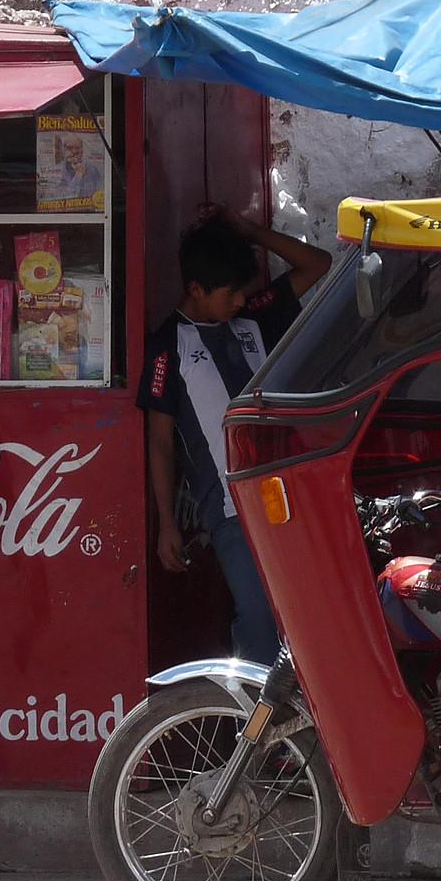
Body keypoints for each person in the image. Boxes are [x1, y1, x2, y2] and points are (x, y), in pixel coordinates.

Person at [138, 204, 331, 665]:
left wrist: (247, 230)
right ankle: (262, 729)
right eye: (229, 294)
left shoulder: (254, 318)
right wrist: (165, 523)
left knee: (309, 613)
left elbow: (317, 264)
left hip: (289, 500)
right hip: (228, 511)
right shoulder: (167, 347)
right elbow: (160, 442)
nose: (240, 301)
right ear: (195, 289)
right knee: (260, 617)